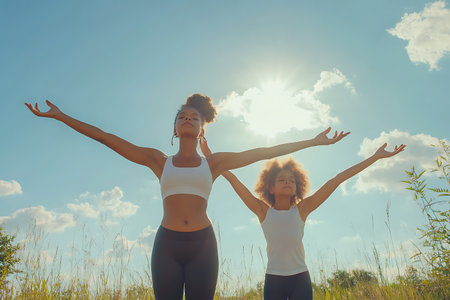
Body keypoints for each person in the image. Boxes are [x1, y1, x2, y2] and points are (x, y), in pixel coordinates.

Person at [25, 95, 348, 300]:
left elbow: (265, 151)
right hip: (167, 244)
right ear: (175, 129)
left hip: (202, 246)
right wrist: (60, 116)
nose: (188, 119)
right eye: (182, 117)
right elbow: (105, 137)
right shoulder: (158, 161)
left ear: (202, 129)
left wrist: (313, 142)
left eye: (195, 117)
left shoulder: (215, 163)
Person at [200, 138, 405, 300]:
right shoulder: (263, 211)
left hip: (300, 278)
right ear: (270, 187)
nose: (287, 182)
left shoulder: (302, 209)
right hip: (274, 279)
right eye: (281, 180)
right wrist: (212, 159)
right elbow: (234, 179)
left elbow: (337, 179)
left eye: (291, 180)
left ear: (297, 187)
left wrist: (375, 157)